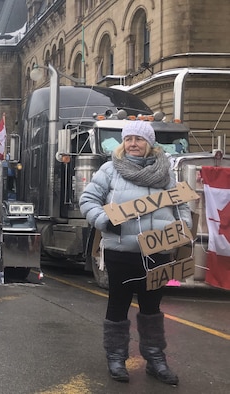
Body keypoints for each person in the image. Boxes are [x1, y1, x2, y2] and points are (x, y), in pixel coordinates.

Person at [79, 121, 192, 385]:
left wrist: (183, 226)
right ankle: (116, 358)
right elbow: (88, 200)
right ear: (122, 143)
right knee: (118, 304)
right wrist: (104, 220)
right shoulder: (110, 170)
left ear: (149, 143)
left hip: (158, 250)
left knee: (152, 306)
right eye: (128, 139)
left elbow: (181, 204)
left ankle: (155, 358)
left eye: (139, 139)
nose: (133, 144)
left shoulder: (165, 173)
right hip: (122, 250)